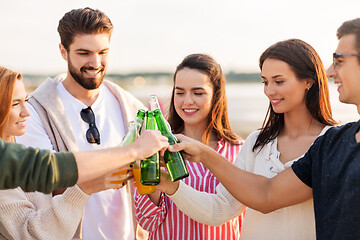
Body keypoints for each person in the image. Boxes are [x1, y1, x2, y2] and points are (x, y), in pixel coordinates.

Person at [161, 18, 360, 240]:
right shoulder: (256, 142)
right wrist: (171, 186)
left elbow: (268, 196)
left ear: (308, 81)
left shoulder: (332, 145)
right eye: (265, 82)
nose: (269, 91)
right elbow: (220, 209)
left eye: (279, 81)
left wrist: (205, 155)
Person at [15, 7, 146, 239]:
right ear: (63, 51)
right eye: (84, 53)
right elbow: (45, 183)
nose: (95, 62)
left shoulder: (131, 107)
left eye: (103, 52)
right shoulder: (34, 112)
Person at [0, 66, 168, 239]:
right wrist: (85, 187)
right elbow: (32, 234)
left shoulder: (21, 149)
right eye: (14, 104)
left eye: (25, 101)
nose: (27, 112)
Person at [134, 53, 244, 239]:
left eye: (198, 92)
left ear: (216, 95)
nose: (187, 101)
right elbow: (147, 221)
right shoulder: (157, 147)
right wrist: (151, 173)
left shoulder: (239, 151)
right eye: (180, 92)